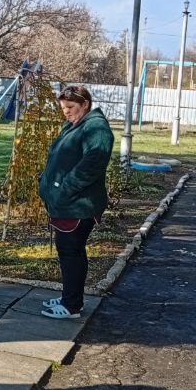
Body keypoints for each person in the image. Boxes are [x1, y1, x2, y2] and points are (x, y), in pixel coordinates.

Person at [36, 85, 114, 320]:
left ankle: (72, 306)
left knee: (71, 252)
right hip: (68, 203)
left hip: (78, 205)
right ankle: (71, 296)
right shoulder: (74, 125)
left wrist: (64, 188)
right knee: (70, 251)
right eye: (63, 108)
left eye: (70, 107)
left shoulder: (96, 127)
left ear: (85, 105)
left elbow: (93, 163)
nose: (66, 112)